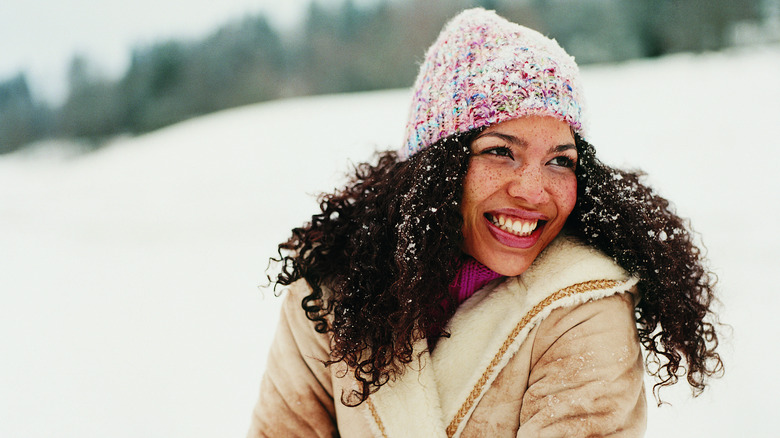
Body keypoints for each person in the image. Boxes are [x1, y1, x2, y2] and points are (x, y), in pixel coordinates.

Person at [247, 8, 722, 437]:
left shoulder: (583, 307)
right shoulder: (333, 291)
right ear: (435, 169)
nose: (533, 191)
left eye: (560, 161)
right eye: (500, 151)